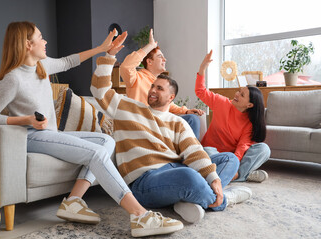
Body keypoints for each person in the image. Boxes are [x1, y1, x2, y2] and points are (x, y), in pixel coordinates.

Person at [0, 21, 184, 238]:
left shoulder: (42, 66)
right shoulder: (13, 78)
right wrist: (26, 119)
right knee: (95, 153)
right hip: (31, 136)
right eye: (40, 37)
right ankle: (140, 215)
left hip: (50, 134)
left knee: (106, 141)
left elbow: (69, 61)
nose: (45, 41)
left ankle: (73, 202)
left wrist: (102, 49)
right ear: (27, 44)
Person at [91, 49, 252, 224]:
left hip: (173, 170)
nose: (152, 90)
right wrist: (109, 56)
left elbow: (194, 151)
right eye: (152, 86)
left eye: (159, 88)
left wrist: (214, 179)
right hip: (144, 181)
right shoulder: (127, 107)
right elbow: (99, 91)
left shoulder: (178, 122)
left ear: (171, 97)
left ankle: (186, 199)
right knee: (189, 176)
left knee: (230, 159)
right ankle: (225, 199)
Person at [195, 50, 271, 183]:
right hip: (213, 153)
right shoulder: (222, 103)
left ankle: (232, 174)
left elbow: (241, 148)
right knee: (205, 151)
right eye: (239, 91)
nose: (236, 94)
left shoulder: (249, 123)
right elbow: (200, 91)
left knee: (264, 149)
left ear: (249, 105)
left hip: (231, 157)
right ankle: (242, 175)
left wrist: (234, 164)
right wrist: (202, 68)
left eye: (242, 95)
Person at [120, 29, 204, 139]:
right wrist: (150, 46)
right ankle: (194, 153)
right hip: (145, 125)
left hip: (160, 122)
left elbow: (168, 104)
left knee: (192, 118)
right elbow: (125, 67)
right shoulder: (137, 78)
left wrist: (185, 111)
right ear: (149, 62)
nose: (165, 59)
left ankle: (191, 152)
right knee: (192, 120)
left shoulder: (159, 82)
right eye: (160, 57)